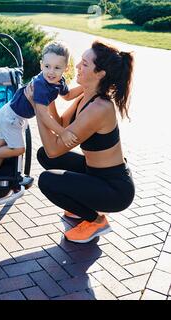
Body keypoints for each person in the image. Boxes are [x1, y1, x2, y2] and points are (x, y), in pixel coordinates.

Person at [25, 40, 135, 243]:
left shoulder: (99, 108)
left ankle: (96, 221)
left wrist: (37, 105)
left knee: (47, 180)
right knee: (42, 155)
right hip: (94, 173)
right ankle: (83, 203)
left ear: (100, 73)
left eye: (84, 64)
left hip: (114, 189)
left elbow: (54, 149)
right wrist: (47, 95)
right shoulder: (86, 96)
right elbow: (60, 125)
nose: (77, 66)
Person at [0, 41, 83, 174]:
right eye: (47, 66)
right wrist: (62, 132)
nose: (51, 72)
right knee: (19, 149)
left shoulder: (59, 81)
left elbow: (67, 96)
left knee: (5, 142)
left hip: (12, 114)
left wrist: (85, 88)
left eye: (57, 68)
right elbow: (43, 114)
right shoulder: (41, 85)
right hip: (11, 117)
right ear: (41, 65)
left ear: (66, 69)